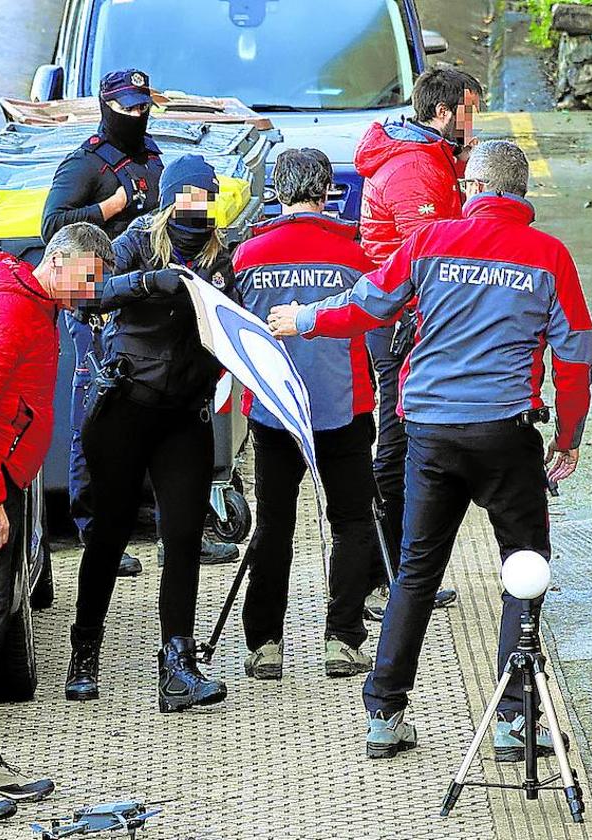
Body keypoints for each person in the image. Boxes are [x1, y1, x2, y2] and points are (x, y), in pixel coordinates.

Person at [267, 140, 592, 760]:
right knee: (523, 571)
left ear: (471, 186)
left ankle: (385, 713)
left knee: (417, 571)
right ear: (521, 194)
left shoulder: (429, 243)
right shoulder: (549, 255)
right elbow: (575, 354)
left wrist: (304, 319)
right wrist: (568, 438)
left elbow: (368, 304)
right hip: (506, 431)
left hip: (430, 431)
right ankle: (514, 722)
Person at [0, 223, 111, 823]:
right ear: (59, 263)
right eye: (89, 277)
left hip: (2, 480)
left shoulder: (38, 307)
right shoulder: (6, 312)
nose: (93, 291)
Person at [42, 68, 238, 576]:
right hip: (104, 296)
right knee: (95, 408)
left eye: (142, 105)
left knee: (170, 416)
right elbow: (52, 230)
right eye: (126, 107)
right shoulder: (85, 164)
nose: (136, 114)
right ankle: (95, 531)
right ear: (107, 106)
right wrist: (113, 205)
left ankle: (171, 524)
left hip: (161, 316)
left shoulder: (153, 159)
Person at [64, 155, 234, 713]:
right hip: (125, 410)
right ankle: (84, 650)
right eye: (185, 202)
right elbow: (83, 293)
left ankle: (178, 664)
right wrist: (146, 282)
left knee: (183, 538)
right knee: (109, 536)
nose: (194, 214)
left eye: (202, 203)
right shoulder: (137, 239)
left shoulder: (220, 254)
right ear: (166, 202)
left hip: (185, 416)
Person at [234, 148, 379, 680]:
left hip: (274, 412)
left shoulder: (249, 255)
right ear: (326, 193)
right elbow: (376, 322)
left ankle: (264, 644)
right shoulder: (354, 256)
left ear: (276, 191)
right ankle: (341, 639)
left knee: (274, 524)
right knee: (351, 521)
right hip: (344, 406)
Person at [354, 67, 484, 618]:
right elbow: (428, 257)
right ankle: (390, 576)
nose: (474, 121)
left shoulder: (428, 159)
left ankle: (396, 571)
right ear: (442, 113)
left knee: (405, 435)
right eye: (470, 110)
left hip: (404, 317)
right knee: (398, 439)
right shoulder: (414, 169)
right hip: (403, 321)